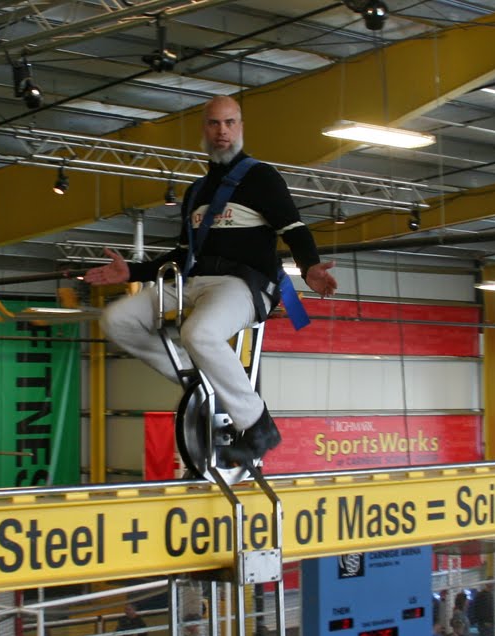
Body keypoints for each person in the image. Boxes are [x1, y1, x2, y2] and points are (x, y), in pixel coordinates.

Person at [84, 95, 337, 465]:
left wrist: (310, 265)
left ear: (241, 128)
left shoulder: (261, 177)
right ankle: (201, 376)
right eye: (215, 124)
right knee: (116, 319)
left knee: (199, 333)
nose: (223, 132)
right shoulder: (196, 193)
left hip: (245, 284)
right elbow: (182, 255)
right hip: (195, 280)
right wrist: (134, 271)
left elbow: (294, 229)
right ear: (204, 130)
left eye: (230, 123)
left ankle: (257, 425)